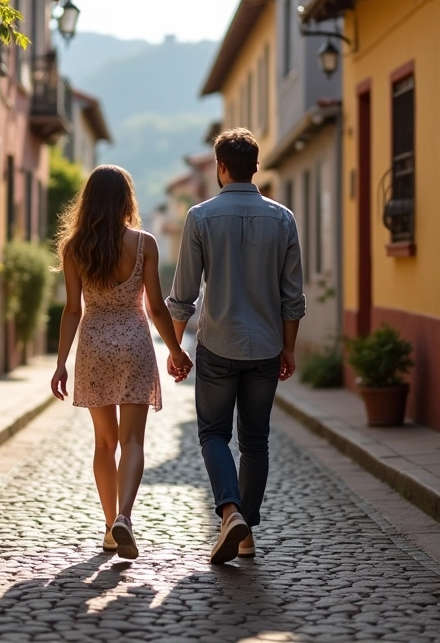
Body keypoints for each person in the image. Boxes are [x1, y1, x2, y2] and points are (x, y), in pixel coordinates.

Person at [166, 128, 305, 564]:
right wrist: (288, 349)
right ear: (257, 168)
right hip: (265, 345)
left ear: (221, 169)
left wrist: (174, 348)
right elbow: (292, 297)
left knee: (212, 433)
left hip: (218, 345)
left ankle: (230, 512)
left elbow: (183, 294)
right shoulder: (283, 218)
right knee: (256, 440)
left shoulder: (200, 217)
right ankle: (245, 535)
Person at [51, 165, 193, 560]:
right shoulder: (145, 243)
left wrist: (61, 363)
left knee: (104, 443)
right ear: (126, 200)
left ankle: (109, 525)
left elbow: (72, 312)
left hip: (94, 345)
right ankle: (125, 518)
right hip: (134, 343)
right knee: (132, 441)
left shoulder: (75, 247)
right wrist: (176, 351)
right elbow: (157, 308)